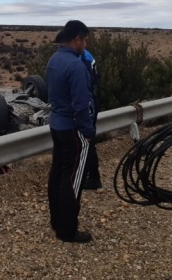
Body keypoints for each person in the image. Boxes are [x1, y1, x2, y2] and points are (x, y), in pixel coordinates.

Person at [46, 20, 97, 243]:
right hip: (74, 129)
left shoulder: (54, 60)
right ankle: (67, 230)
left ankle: (57, 222)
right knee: (72, 179)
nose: (85, 45)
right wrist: (88, 131)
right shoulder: (76, 65)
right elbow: (81, 104)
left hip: (57, 125)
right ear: (77, 39)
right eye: (84, 40)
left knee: (58, 173)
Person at [80, 49, 103, 190]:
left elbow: (83, 84)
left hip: (87, 101)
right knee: (87, 140)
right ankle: (92, 176)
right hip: (91, 100)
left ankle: (92, 177)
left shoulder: (82, 57)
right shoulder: (86, 55)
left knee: (85, 140)